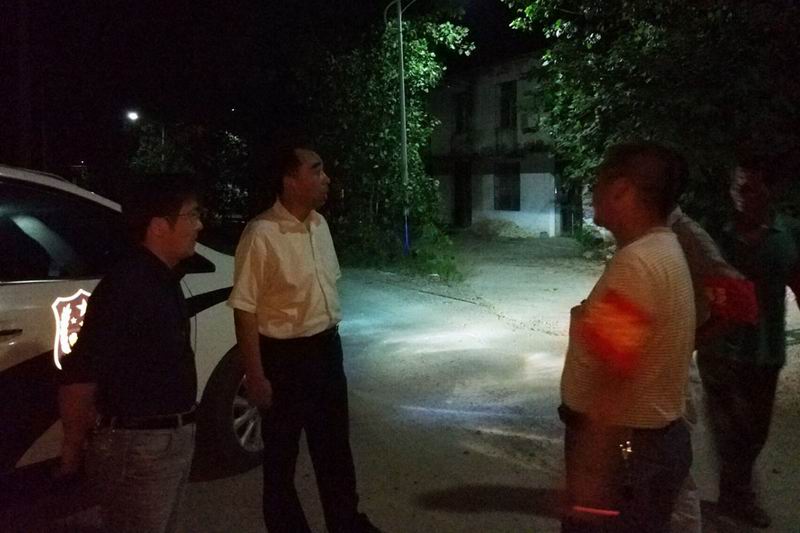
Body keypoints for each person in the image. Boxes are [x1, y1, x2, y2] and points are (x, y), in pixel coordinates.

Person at [228, 142, 380, 533]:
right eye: (316, 170)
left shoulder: (319, 225)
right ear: (290, 180)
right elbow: (245, 309)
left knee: (335, 449)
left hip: (326, 351)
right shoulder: (261, 234)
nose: (326, 178)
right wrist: (256, 376)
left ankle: (346, 523)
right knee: (281, 457)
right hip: (284, 359)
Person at [559, 142, 695, 532]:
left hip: (626, 458)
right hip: (649, 449)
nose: (592, 192)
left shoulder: (635, 266)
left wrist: (591, 474)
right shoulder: (665, 248)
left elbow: (611, 375)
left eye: (597, 182)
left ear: (621, 190)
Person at [57, 174, 204, 532]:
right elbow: (81, 374)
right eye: (191, 215)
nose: (200, 225)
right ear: (158, 226)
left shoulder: (163, 278)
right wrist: (72, 452)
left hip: (169, 439)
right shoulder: (127, 286)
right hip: (138, 448)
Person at [697, 157, 800, 528]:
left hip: (765, 351)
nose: (740, 195)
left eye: (750, 187)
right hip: (718, 350)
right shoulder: (714, 233)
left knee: (754, 432)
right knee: (727, 431)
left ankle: (735, 494)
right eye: (735, 187)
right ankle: (738, 499)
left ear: (768, 190)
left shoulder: (789, 235)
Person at [665, 152, 757, 533]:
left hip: (675, 375)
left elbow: (742, 302)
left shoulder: (688, 237)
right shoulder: (655, 233)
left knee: (674, 475)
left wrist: (692, 339)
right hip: (657, 372)